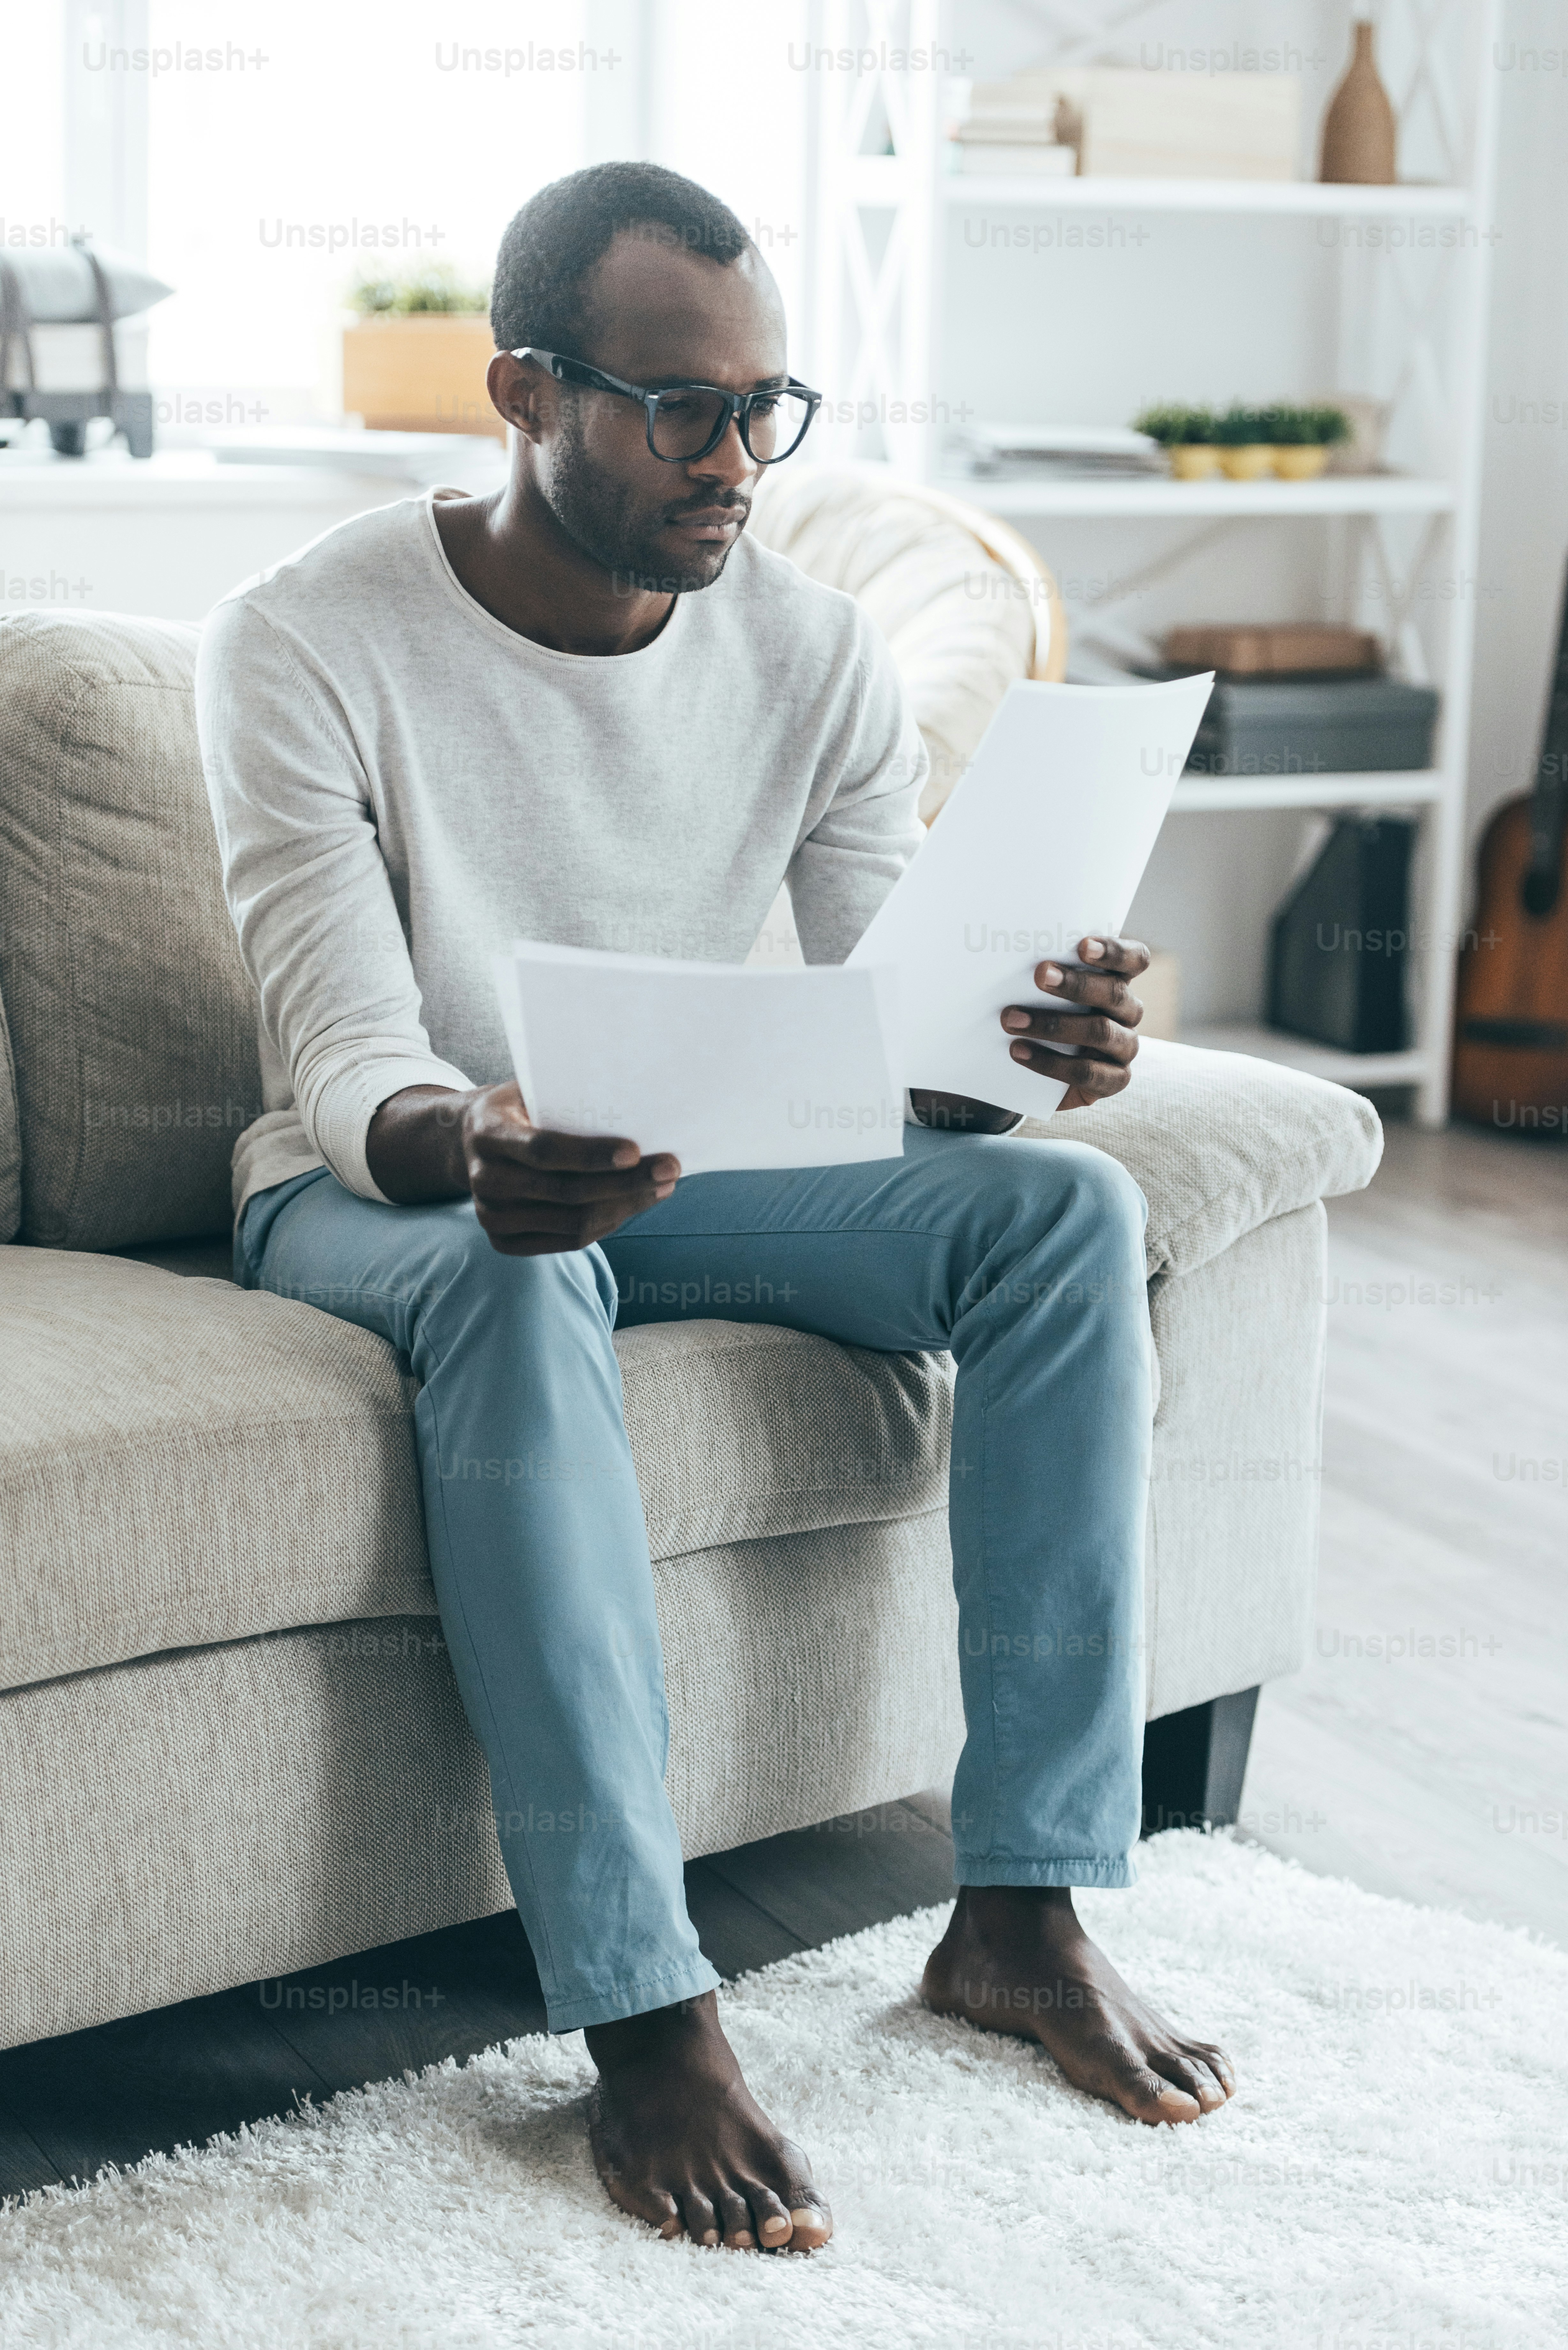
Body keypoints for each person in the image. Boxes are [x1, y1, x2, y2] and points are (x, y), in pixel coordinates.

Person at [198, 161, 1233, 2258]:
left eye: (772, 404)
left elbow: (908, 1032)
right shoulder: (303, 638)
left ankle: (1023, 1909)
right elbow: (348, 1062)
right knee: (517, 1275)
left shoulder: (816, 652)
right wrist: (470, 1152)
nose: (739, 457)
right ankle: (644, 2005)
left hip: (682, 1164)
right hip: (383, 1192)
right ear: (522, 391)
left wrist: (1043, 1051)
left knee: (1050, 1217)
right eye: (680, 405)